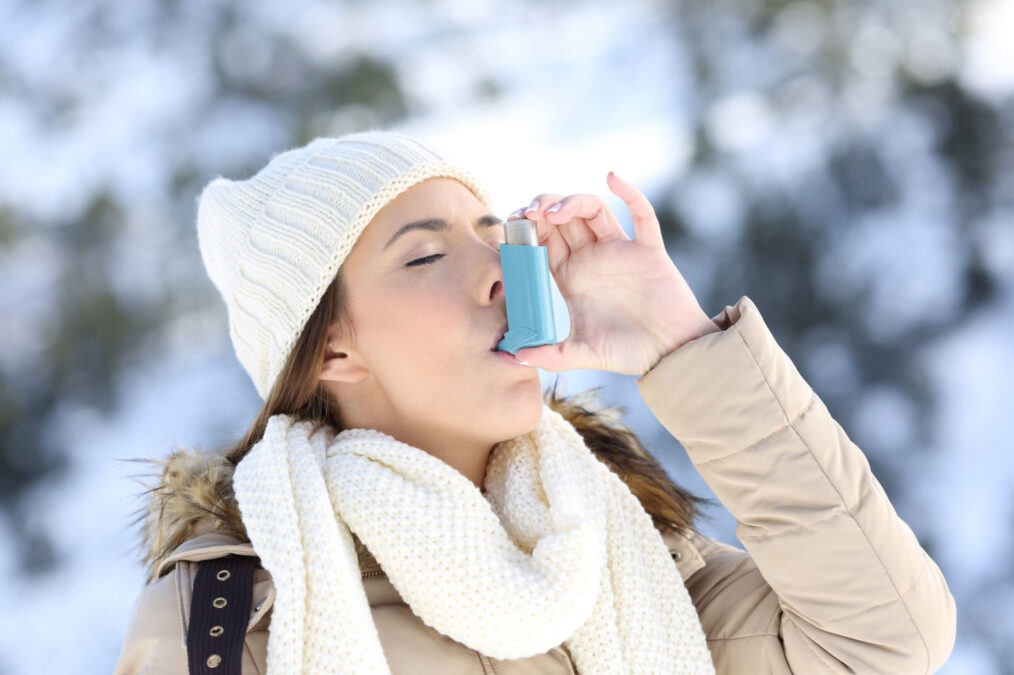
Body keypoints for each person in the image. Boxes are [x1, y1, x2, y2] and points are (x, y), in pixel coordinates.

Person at [114, 130, 956, 674]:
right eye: (423, 257)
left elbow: (886, 641)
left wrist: (680, 343)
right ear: (333, 347)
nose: (496, 272)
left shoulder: (624, 554)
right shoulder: (225, 623)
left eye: (493, 233)